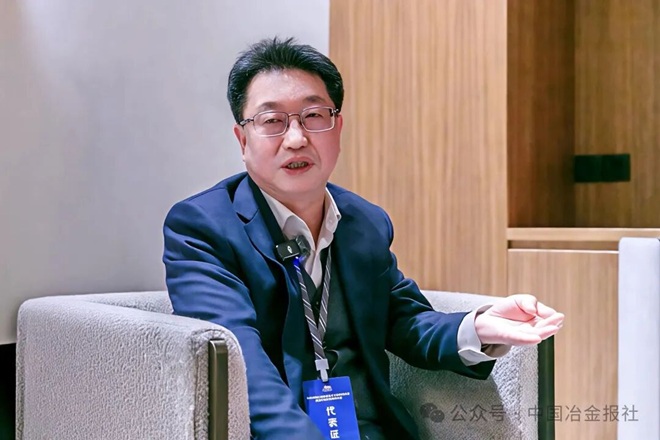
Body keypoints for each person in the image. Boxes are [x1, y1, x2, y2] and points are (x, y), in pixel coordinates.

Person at [162, 37, 564, 440]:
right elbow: (241, 364)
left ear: (337, 127)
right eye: (272, 121)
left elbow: (404, 320)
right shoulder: (202, 227)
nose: (296, 138)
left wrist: (480, 327)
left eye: (313, 115)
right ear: (242, 139)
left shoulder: (363, 222)